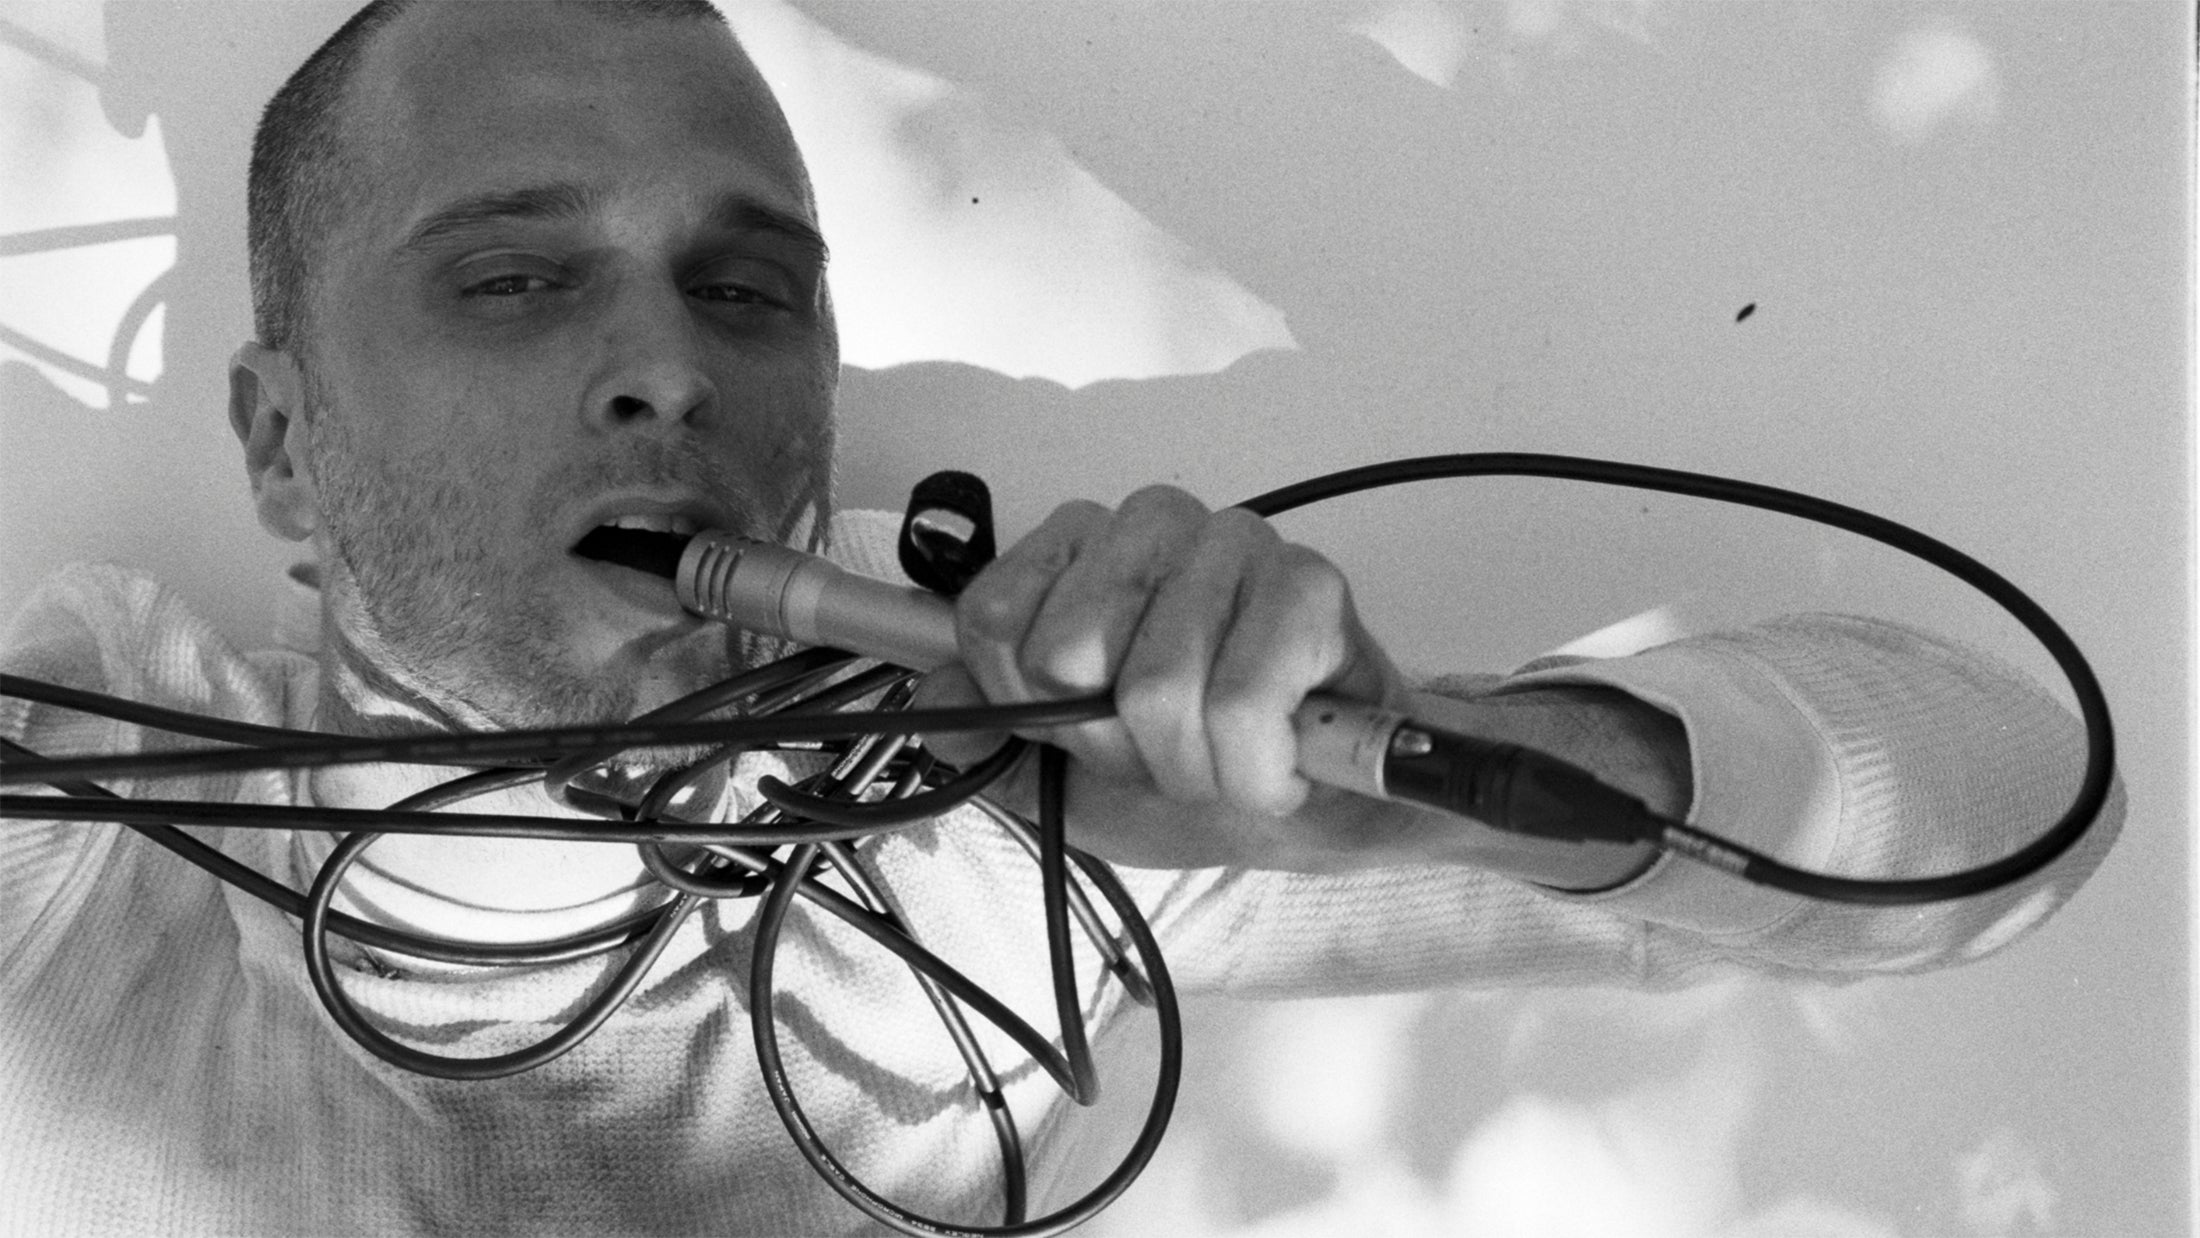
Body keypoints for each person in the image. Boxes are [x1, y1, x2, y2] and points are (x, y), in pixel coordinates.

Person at [0, 1, 2118, 1233]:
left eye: (745, 288)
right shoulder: (85, 814)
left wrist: (1363, 806)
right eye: (514, 279)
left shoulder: (1009, 811)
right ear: (280, 444)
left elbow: (2006, 819)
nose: (668, 367)